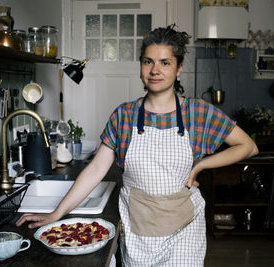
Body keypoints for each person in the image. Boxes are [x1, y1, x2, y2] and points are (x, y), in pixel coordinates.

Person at [16, 25, 258, 266]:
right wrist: (57, 213)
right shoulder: (125, 115)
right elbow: (95, 170)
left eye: (165, 63)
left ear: (179, 69)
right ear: (140, 66)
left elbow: (247, 146)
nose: (155, 70)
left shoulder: (198, 113)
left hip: (185, 230)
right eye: (147, 61)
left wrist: (201, 165)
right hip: (138, 232)